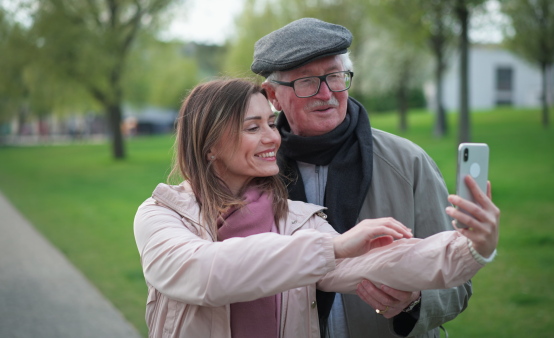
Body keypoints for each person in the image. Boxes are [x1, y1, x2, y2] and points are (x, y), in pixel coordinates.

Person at [133, 78, 499, 337]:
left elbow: (379, 262)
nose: (272, 137)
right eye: (253, 127)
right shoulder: (161, 214)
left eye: (270, 123)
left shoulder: (295, 218)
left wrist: (470, 247)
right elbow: (202, 272)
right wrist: (333, 246)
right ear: (210, 145)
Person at [252, 18, 501, 338]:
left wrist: (415, 299)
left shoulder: (407, 161)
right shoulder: (252, 171)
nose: (326, 93)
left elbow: (458, 284)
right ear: (273, 95)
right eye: (307, 81)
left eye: (335, 76)